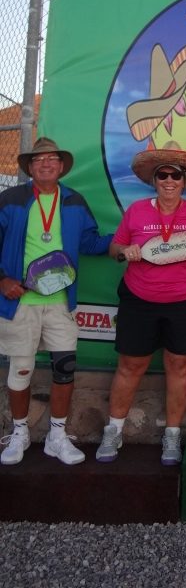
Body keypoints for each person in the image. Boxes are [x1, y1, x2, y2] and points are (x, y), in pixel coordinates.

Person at [96, 143, 186, 466]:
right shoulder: (137, 211)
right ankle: (114, 430)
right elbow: (114, 247)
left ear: (184, 181)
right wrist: (124, 252)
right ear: (154, 180)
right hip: (140, 300)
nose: (169, 181)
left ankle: (172, 435)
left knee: (179, 368)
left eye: (175, 175)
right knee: (130, 366)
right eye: (162, 175)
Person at [0, 137, 112, 466]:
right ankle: (19, 433)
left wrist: (119, 243)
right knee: (21, 370)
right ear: (30, 167)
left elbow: (89, 241)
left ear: (61, 166)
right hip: (20, 302)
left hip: (62, 302)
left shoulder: (75, 201)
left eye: (52, 159)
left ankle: (57, 437)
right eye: (39, 160)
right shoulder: (11, 199)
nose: (46, 164)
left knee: (64, 369)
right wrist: (2, 280)